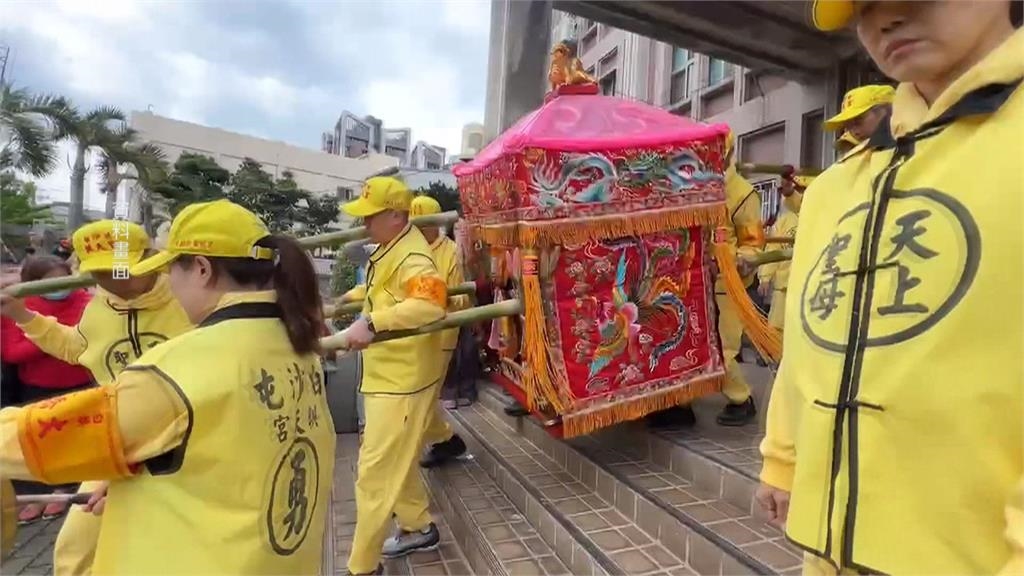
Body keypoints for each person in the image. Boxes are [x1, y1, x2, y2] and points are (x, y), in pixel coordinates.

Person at [758, 1, 1023, 573]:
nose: (886, 19)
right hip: (827, 551)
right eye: (863, 7)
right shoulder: (835, 189)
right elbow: (807, 345)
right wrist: (782, 458)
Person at [1, 199, 335, 573]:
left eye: (169, 269)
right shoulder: (295, 342)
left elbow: (45, 437)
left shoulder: (181, 363)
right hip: (259, 549)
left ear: (202, 269)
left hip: (186, 533)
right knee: (75, 548)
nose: (110, 282)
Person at [0, 220, 192, 576]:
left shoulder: (188, 302)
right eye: (98, 272)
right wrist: (22, 315)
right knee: (75, 552)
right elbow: (76, 348)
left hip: (186, 444)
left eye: (118, 270)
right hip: (115, 439)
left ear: (147, 260)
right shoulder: (99, 309)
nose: (110, 280)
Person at [338, 177, 448, 575]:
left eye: (371, 216)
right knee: (392, 459)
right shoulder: (391, 247)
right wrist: (349, 302)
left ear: (397, 217)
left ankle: (363, 566)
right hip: (388, 375)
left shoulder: (414, 257)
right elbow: (382, 290)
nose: (364, 223)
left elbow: (431, 305)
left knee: (375, 474)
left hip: (403, 381)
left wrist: (373, 321)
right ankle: (418, 525)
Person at [649, 130, 765, 428]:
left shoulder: (742, 193)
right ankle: (681, 403)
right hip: (692, 282)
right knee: (684, 341)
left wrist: (735, 260)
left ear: (727, 154)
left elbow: (753, 243)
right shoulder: (694, 187)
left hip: (728, 286)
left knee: (722, 348)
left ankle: (741, 399)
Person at [1, 256, 93, 524]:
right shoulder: (18, 307)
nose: (58, 286)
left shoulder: (87, 303)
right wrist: (48, 334)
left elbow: (87, 342)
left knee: (73, 441)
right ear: (32, 283)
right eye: (49, 281)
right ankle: (37, 494)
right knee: (38, 442)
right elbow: (12, 352)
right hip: (37, 388)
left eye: (63, 278)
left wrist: (48, 332)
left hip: (79, 386)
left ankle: (64, 490)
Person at [408, 195, 470, 468]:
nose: (418, 232)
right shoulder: (409, 251)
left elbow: (462, 300)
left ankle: (444, 440)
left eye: (423, 226)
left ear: (436, 225)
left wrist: (434, 297)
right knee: (416, 394)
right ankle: (445, 440)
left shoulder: (452, 254)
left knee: (421, 396)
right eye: (414, 226)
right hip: (411, 334)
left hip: (440, 337)